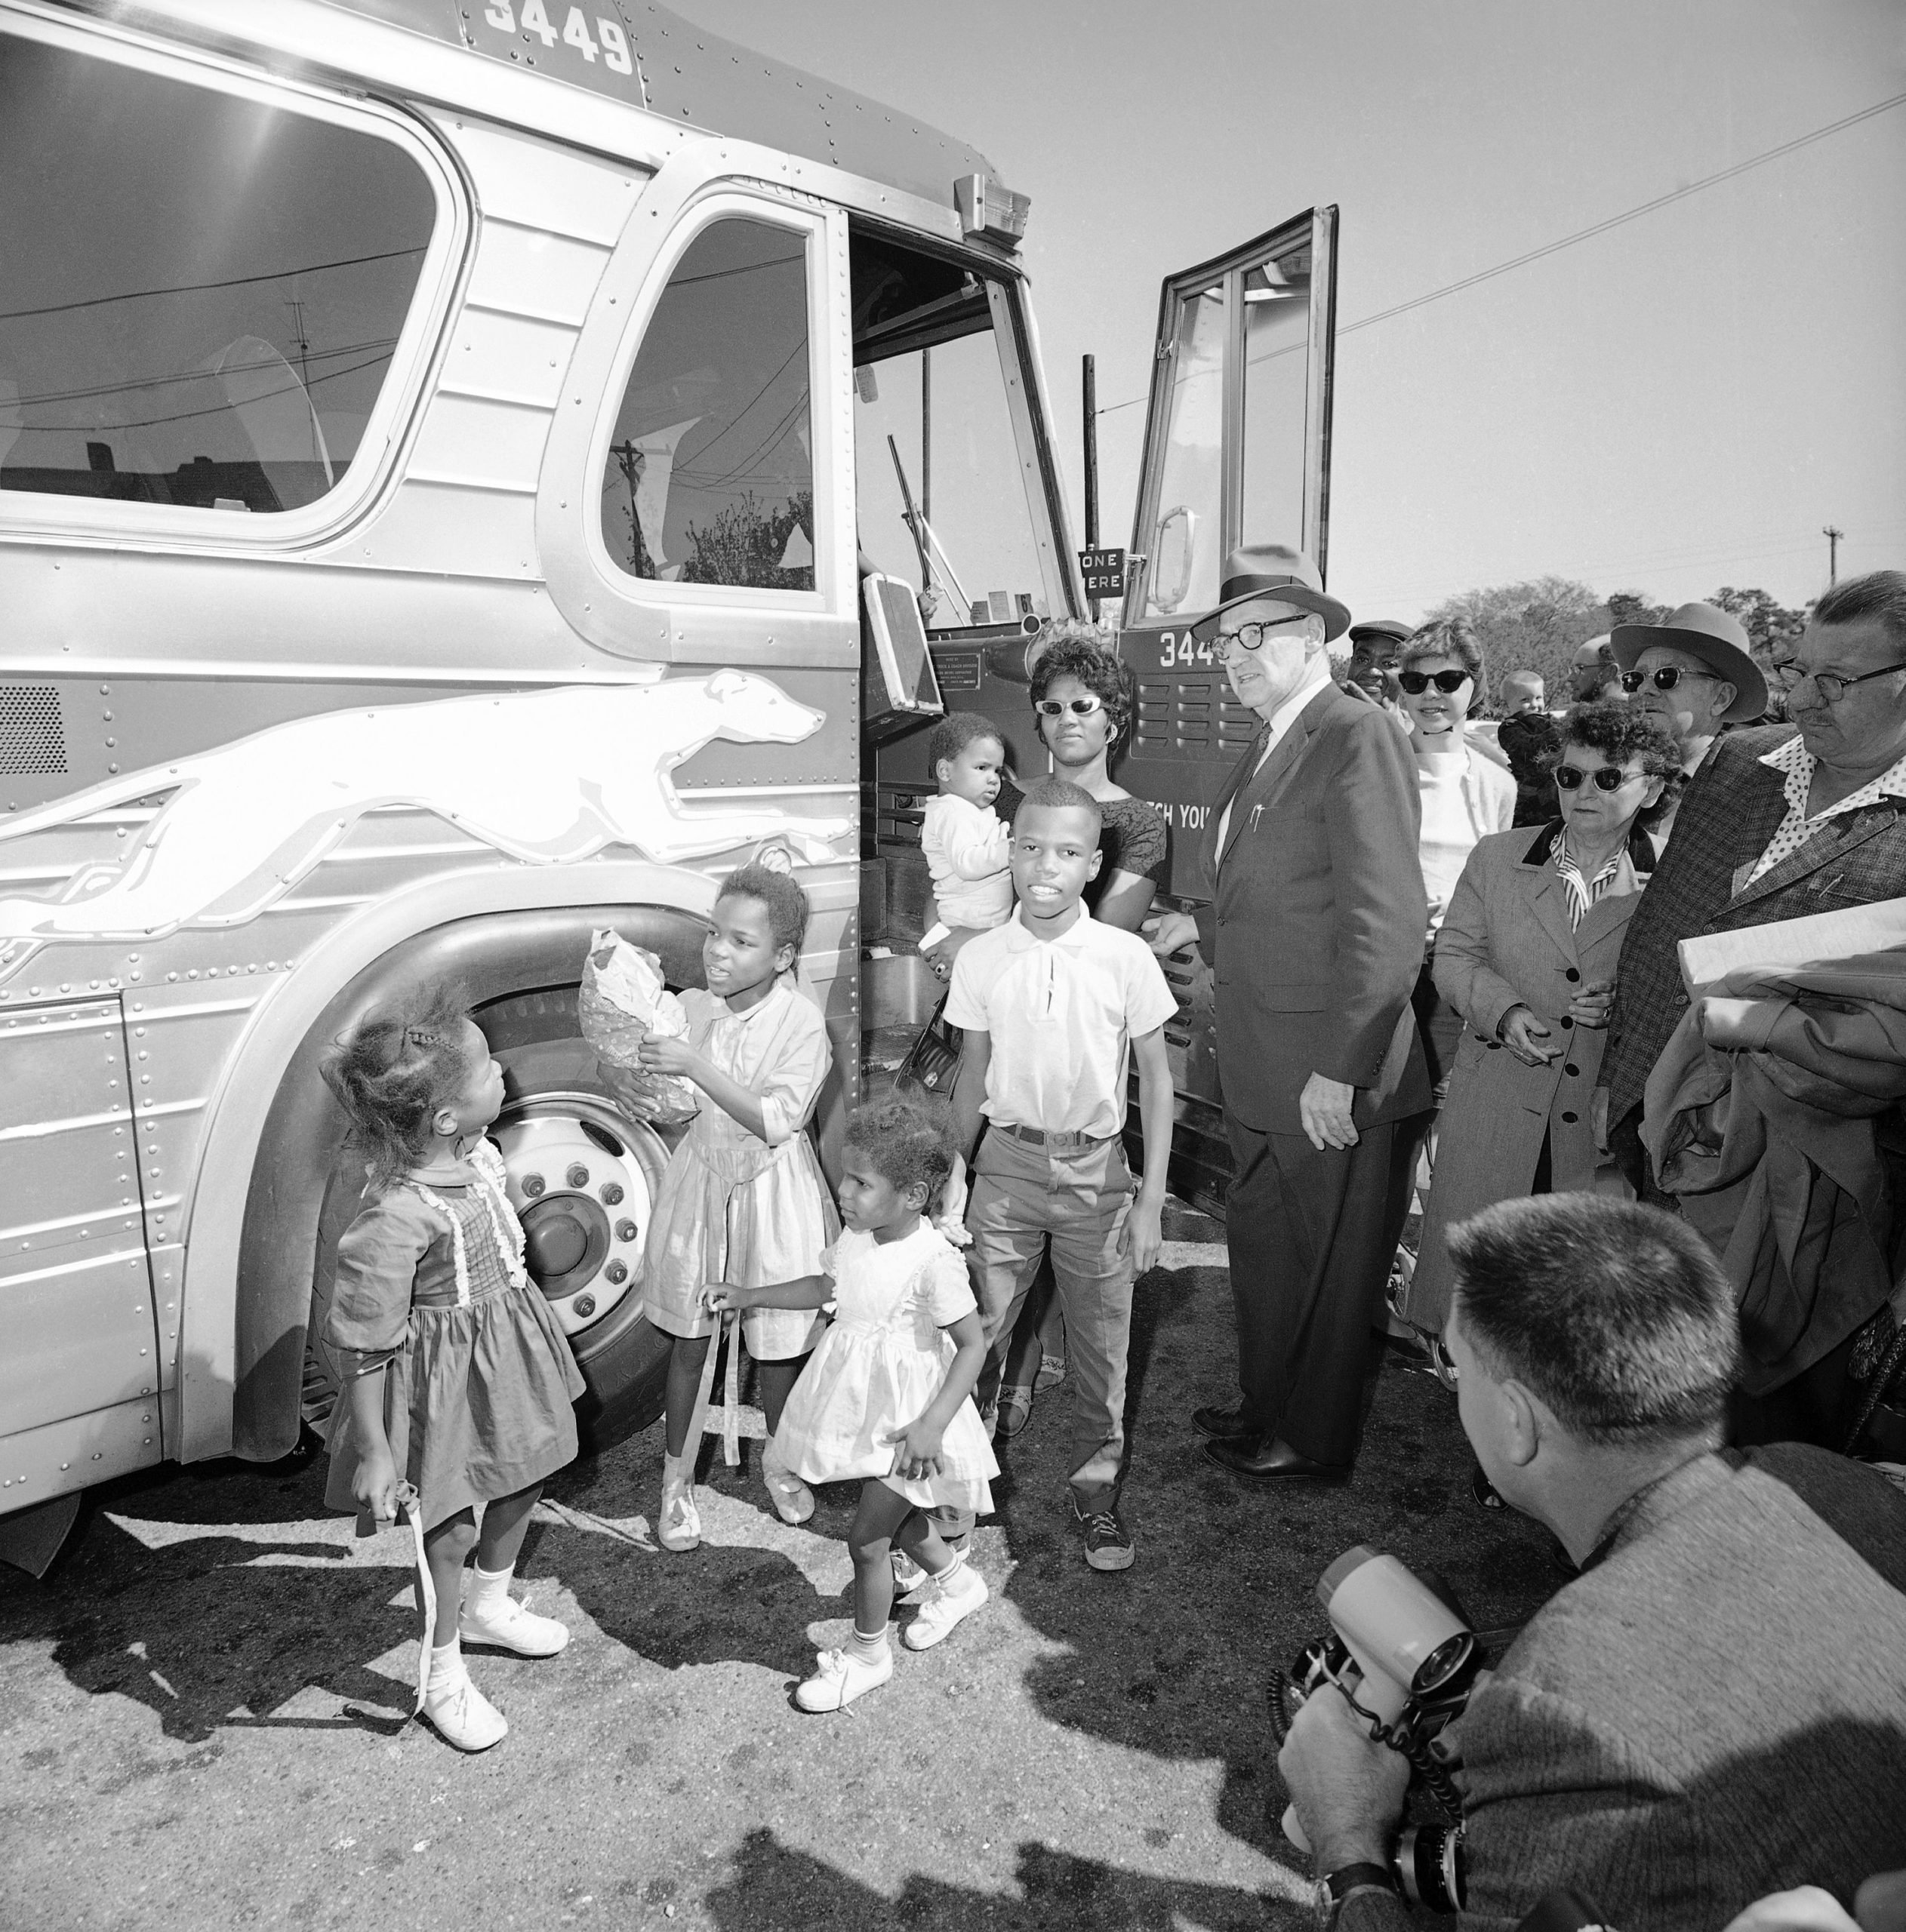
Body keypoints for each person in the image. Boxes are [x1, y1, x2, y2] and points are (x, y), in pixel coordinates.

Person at [1277, 1192, 1906, 1932]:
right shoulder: (1830, 1480)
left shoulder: (1562, 1707)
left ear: (1515, 1422)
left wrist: (1345, 1842)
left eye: (1454, 1361)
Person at [1600, 570, 1906, 1440]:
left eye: (1833, 681)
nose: (1802, 696)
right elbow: (1660, 943)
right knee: (1637, 1372)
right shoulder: (1739, 764)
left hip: (1806, 1185)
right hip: (1659, 1134)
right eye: (1797, 669)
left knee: (1753, 1411)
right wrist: (1618, 1120)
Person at [1147, 543, 1428, 1484]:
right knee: (1267, 1251)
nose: (1232, 657)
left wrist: (1342, 1067)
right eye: (1223, 643)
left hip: (1323, 1068)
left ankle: (1307, 1436)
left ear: (1313, 638)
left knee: (1327, 1263)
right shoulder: (1267, 743)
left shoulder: (1354, 732)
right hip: (1263, 1059)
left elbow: (1385, 923)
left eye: (1253, 636)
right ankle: (1267, 1400)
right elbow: (1271, 898)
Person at [321, 982, 584, 1752]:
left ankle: (490, 1604)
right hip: (441, 1385)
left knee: (525, 1473)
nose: (503, 1072)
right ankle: (440, 1675)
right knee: (444, 1532)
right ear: (443, 1118)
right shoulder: (395, 1216)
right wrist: (375, 1448)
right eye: (487, 1072)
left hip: (506, 1354)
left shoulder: (475, 1155)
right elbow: (366, 1342)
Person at [946, 777, 1178, 1568]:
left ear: (1093, 864)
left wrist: (1149, 1200)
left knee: (1099, 1351)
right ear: (1009, 850)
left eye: (1068, 852)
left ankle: (1095, 1498)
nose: (1046, 867)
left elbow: (1157, 1076)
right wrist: (952, 1174)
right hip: (1002, 1169)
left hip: (1097, 1177)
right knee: (976, 1333)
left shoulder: (1124, 956)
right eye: (1031, 847)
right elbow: (972, 1075)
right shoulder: (979, 957)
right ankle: (957, 1486)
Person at [705, 1094, 996, 1712]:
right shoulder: (859, 1236)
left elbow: (972, 1345)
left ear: (914, 1195)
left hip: (909, 1420)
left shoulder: (932, 1261)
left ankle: (867, 1658)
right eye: (845, 1175)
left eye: (860, 1182)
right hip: (862, 1402)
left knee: (866, 1541)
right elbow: (825, 1286)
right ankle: (957, 1583)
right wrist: (746, 1292)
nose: (843, 1190)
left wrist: (931, 1426)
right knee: (892, 1516)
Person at [1406, 701, 1677, 1336]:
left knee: (1570, 1311)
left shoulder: (1668, 878)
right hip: (1495, 1105)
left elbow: (1682, 989)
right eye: (1569, 776)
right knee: (1480, 1296)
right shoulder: (1499, 857)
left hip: (1599, 1126)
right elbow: (1454, 956)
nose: (1584, 791)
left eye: (1608, 778)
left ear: (1652, 788)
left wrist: (1621, 1004)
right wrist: (1504, 1012)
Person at [989, 626, 1173, 1436]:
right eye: (1051, 706)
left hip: (1086, 1028)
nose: (1066, 719)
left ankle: (1077, 1407)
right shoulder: (1008, 800)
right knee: (1005, 1231)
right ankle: (1010, 1377)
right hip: (999, 1013)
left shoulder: (1136, 823)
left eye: (1083, 705)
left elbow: (1110, 933)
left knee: (1077, 1220)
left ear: (1113, 718)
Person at [637, 864, 839, 1551]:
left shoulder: (801, 1023)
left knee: (777, 1350)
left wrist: (694, 1067)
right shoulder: (692, 1008)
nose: (718, 952)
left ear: (782, 956)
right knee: (692, 1340)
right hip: (702, 1188)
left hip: (774, 1194)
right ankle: (674, 1483)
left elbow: (775, 1119)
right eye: (714, 934)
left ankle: (781, 1464)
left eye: (742, 942)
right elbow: (672, 1103)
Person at [1612, 599, 1766, 849]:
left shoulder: (1747, 793)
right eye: (1635, 679)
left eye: (1667, 676)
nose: (1645, 690)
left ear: (1720, 698)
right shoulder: (1608, 773)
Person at [917, 712, 1012, 967]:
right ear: (945, 771)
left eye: (998, 771)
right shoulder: (952, 811)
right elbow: (967, 865)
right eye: (982, 768)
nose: (993, 779)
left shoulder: (968, 809)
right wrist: (1010, 851)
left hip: (979, 925)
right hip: (969, 923)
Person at [1341, 617, 1412, 720]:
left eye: (1388, 663)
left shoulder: (1418, 733)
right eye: (1362, 660)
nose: (1372, 672)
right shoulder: (1321, 722)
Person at [1569, 634, 1622, 704]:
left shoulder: (1633, 713)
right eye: (1572, 670)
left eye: (1580, 669)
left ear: (1610, 672)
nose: (1570, 678)